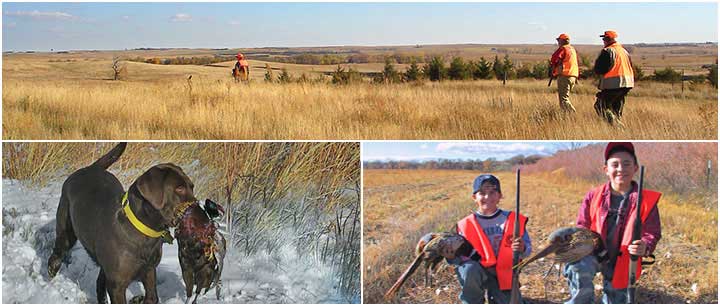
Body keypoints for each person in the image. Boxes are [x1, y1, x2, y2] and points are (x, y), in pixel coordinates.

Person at [564, 142, 662, 303]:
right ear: (606, 170)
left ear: (635, 168)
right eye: (615, 164)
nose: (621, 169)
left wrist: (645, 245)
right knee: (577, 262)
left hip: (624, 260)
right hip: (596, 253)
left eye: (626, 164)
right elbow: (582, 225)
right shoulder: (593, 195)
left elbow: (652, 232)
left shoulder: (646, 200)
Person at [450, 174, 532, 303]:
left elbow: (527, 250)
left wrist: (522, 248)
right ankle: (473, 300)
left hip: (504, 273)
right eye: (482, 193)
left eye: (493, 192)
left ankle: (502, 293)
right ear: (474, 197)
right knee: (469, 269)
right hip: (477, 271)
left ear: (500, 196)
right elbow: (458, 258)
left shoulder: (513, 220)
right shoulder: (465, 224)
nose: (487, 197)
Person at [593, 31, 635, 126]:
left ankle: (617, 126)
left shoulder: (608, 51)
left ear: (608, 40)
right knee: (616, 108)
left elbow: (600, 69)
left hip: (613, 83)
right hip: (627, 83)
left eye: (604, 38)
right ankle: (617, 130)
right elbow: (631, 66)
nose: (603, 40)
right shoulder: (624, 51)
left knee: (600, 106)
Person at [550, 33, 579, 112]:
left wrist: (554, 68)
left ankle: (573, 114)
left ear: (562, 41)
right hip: (573, 77)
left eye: (559, 40)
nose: (558, 42)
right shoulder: (572, 49)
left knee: (563, 100)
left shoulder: (563, 49)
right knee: (565, 98)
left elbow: (554, 59)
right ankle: (566, 118)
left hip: (565, 76)